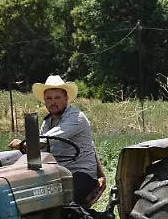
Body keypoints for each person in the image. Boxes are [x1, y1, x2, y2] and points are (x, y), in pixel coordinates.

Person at [10, 74, 107, 208]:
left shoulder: (76, 117)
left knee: (63, 203)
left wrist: (23, 144)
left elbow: (47, 140)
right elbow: (41, 149)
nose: (52, 102)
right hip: (58, 173)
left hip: (80, 172)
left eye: (57, 97)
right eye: (49, 98)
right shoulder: (48, 121)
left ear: (66, 99)